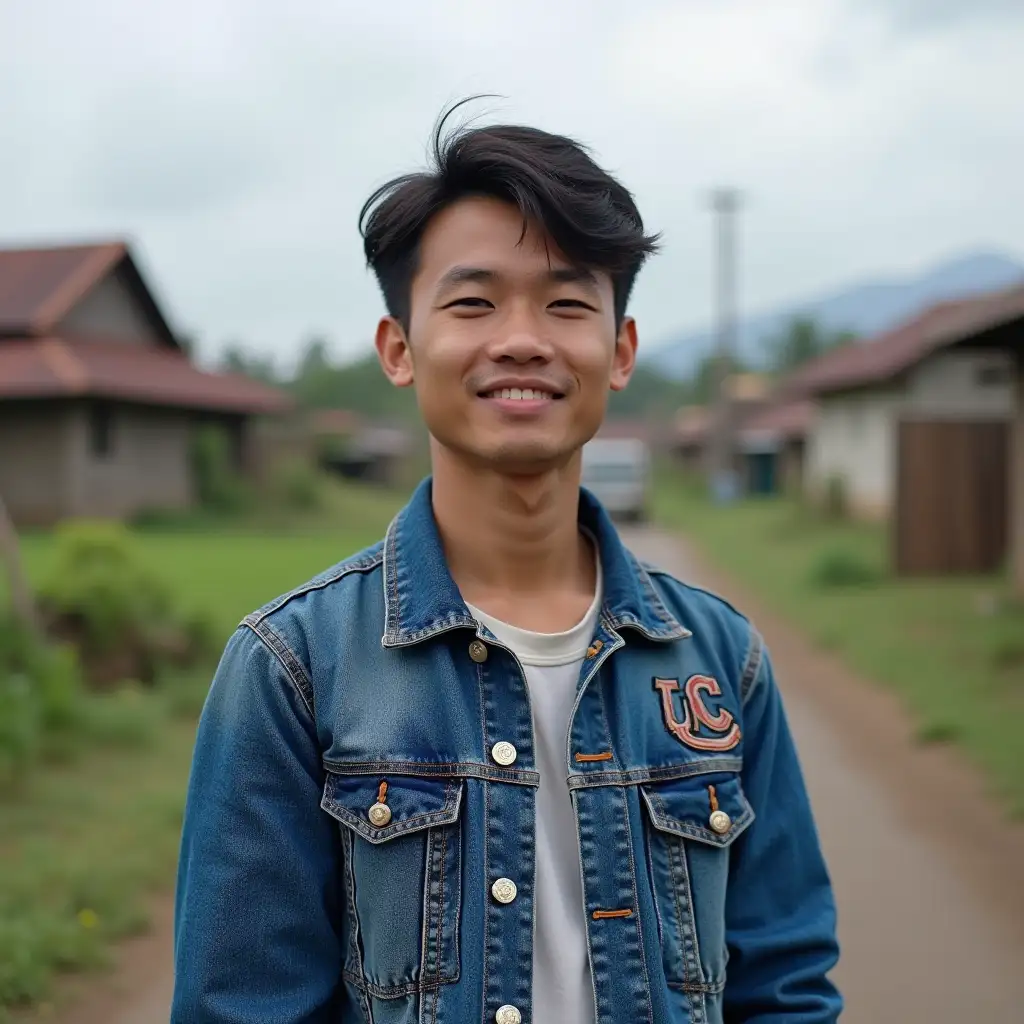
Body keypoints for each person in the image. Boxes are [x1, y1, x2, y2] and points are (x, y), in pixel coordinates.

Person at [172, 100, 842, 1024]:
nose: (523, 337)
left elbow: (786, 984)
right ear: (400, 349)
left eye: (568, 302)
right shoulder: (293, 668)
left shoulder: (723, 660)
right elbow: (241, 1005)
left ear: (620, 351)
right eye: (474, 301)